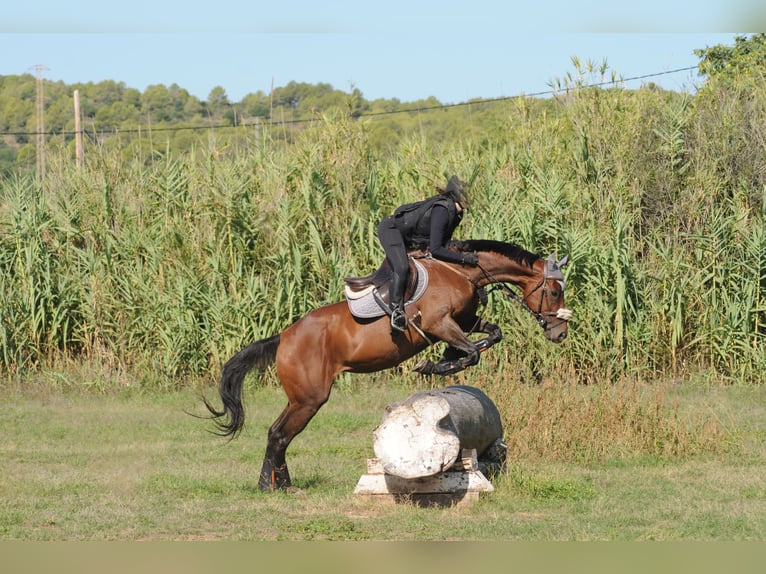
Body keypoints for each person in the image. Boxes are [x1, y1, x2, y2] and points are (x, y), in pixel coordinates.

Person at [377, 175, 479, 333]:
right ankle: (396, 312)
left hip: (411, 239)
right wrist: (464, 259)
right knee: (402, 268)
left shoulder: (457, 214)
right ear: (458, 195)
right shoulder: (443, 210)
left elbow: (444, 246)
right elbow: (436, 250)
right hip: (392, 231)